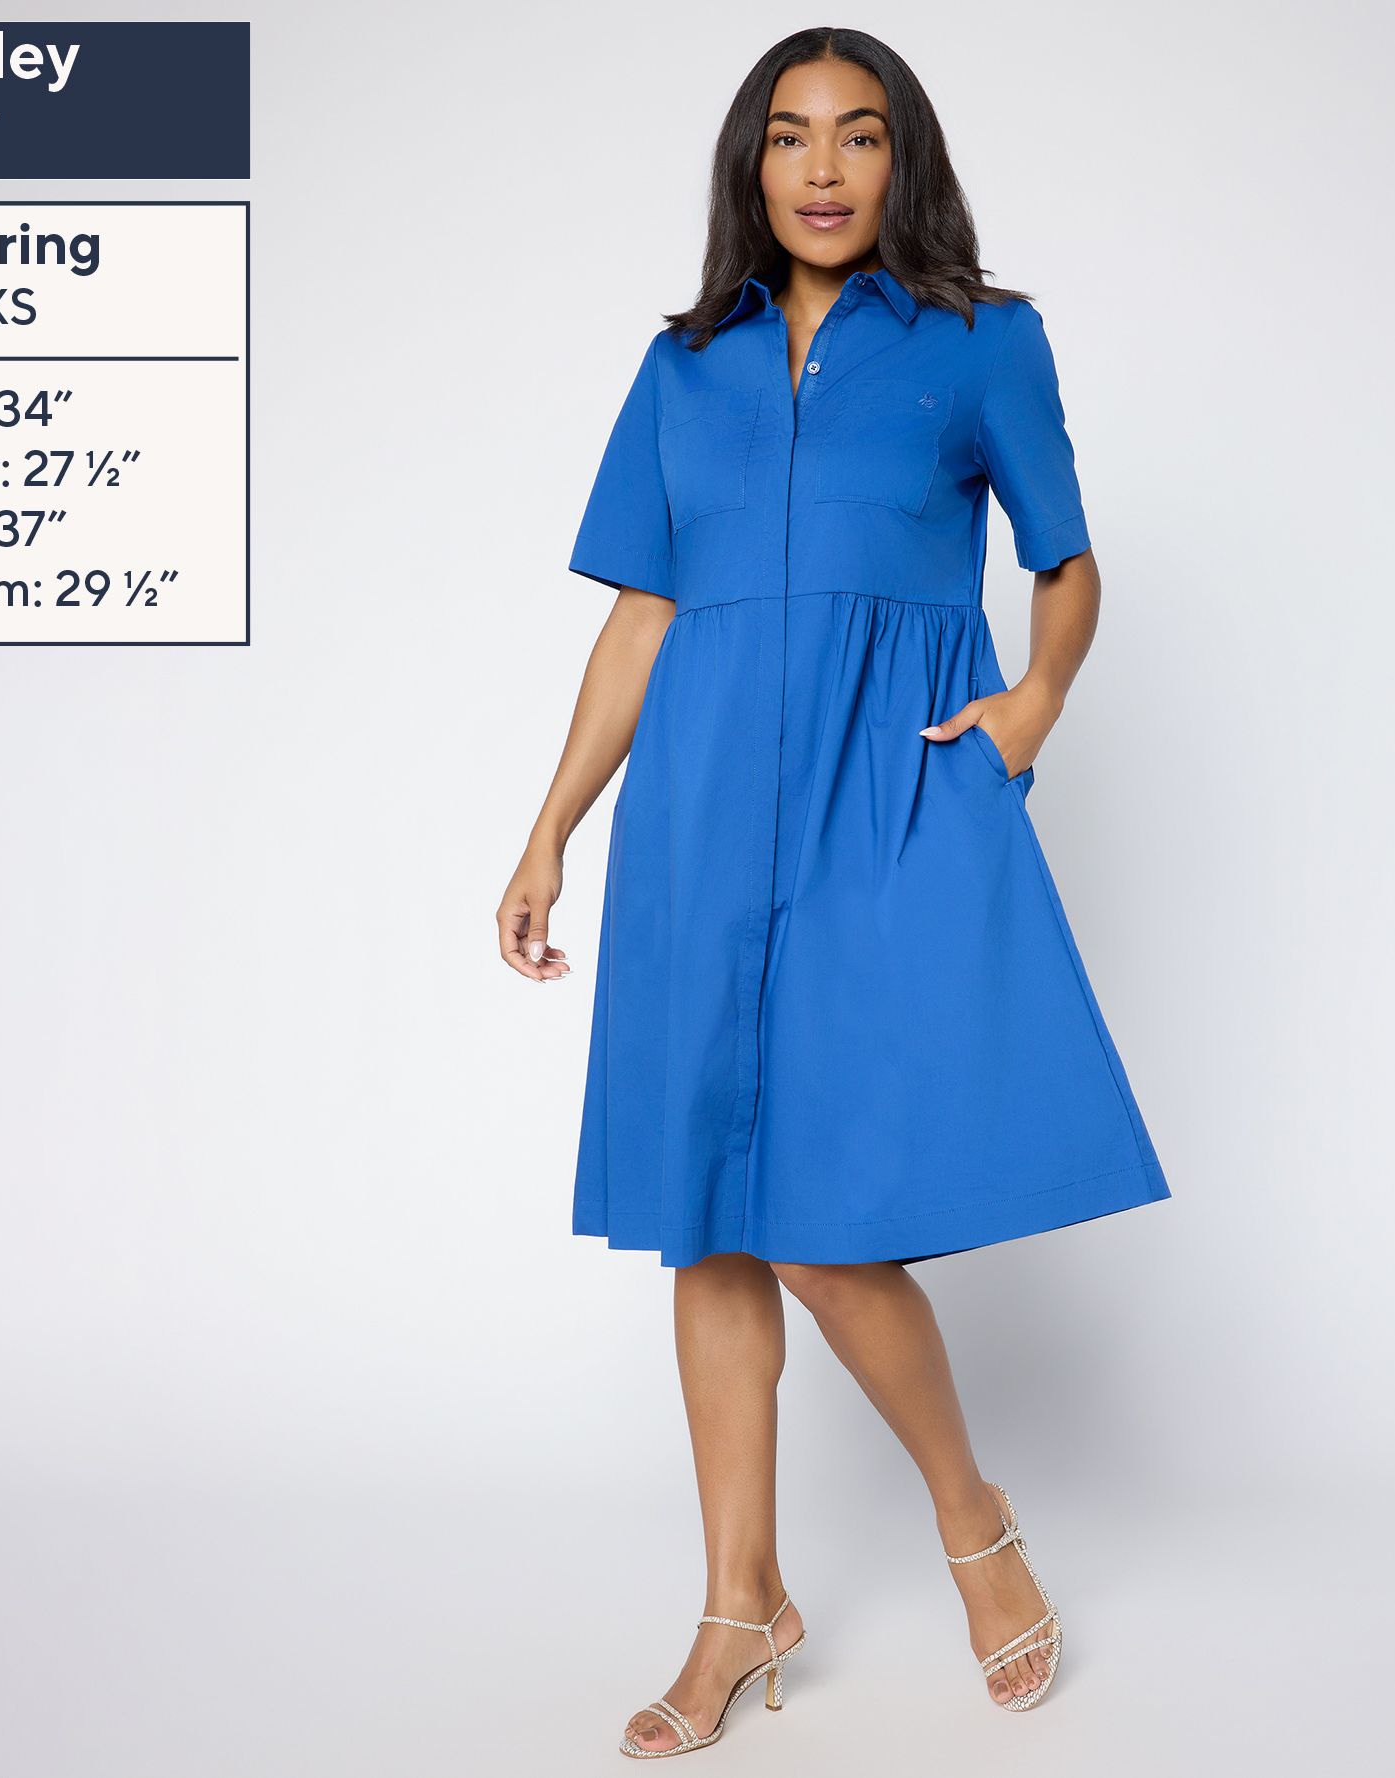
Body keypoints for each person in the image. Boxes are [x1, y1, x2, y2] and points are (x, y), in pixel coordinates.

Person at [497, 27, 1170, 1758]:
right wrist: (553, 825)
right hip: (702, 813)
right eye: (790, 136)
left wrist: (1034, 701)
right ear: (753, 163)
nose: (821, 167)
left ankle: (973, 1518)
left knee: (822, 1221)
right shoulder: (684, 367)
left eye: (858, 136)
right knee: (708, 1213)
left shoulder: (980, 340)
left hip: (885, 802)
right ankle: (743, 1600)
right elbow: (641, 615)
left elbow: (1067, 561)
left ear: (900, 160)